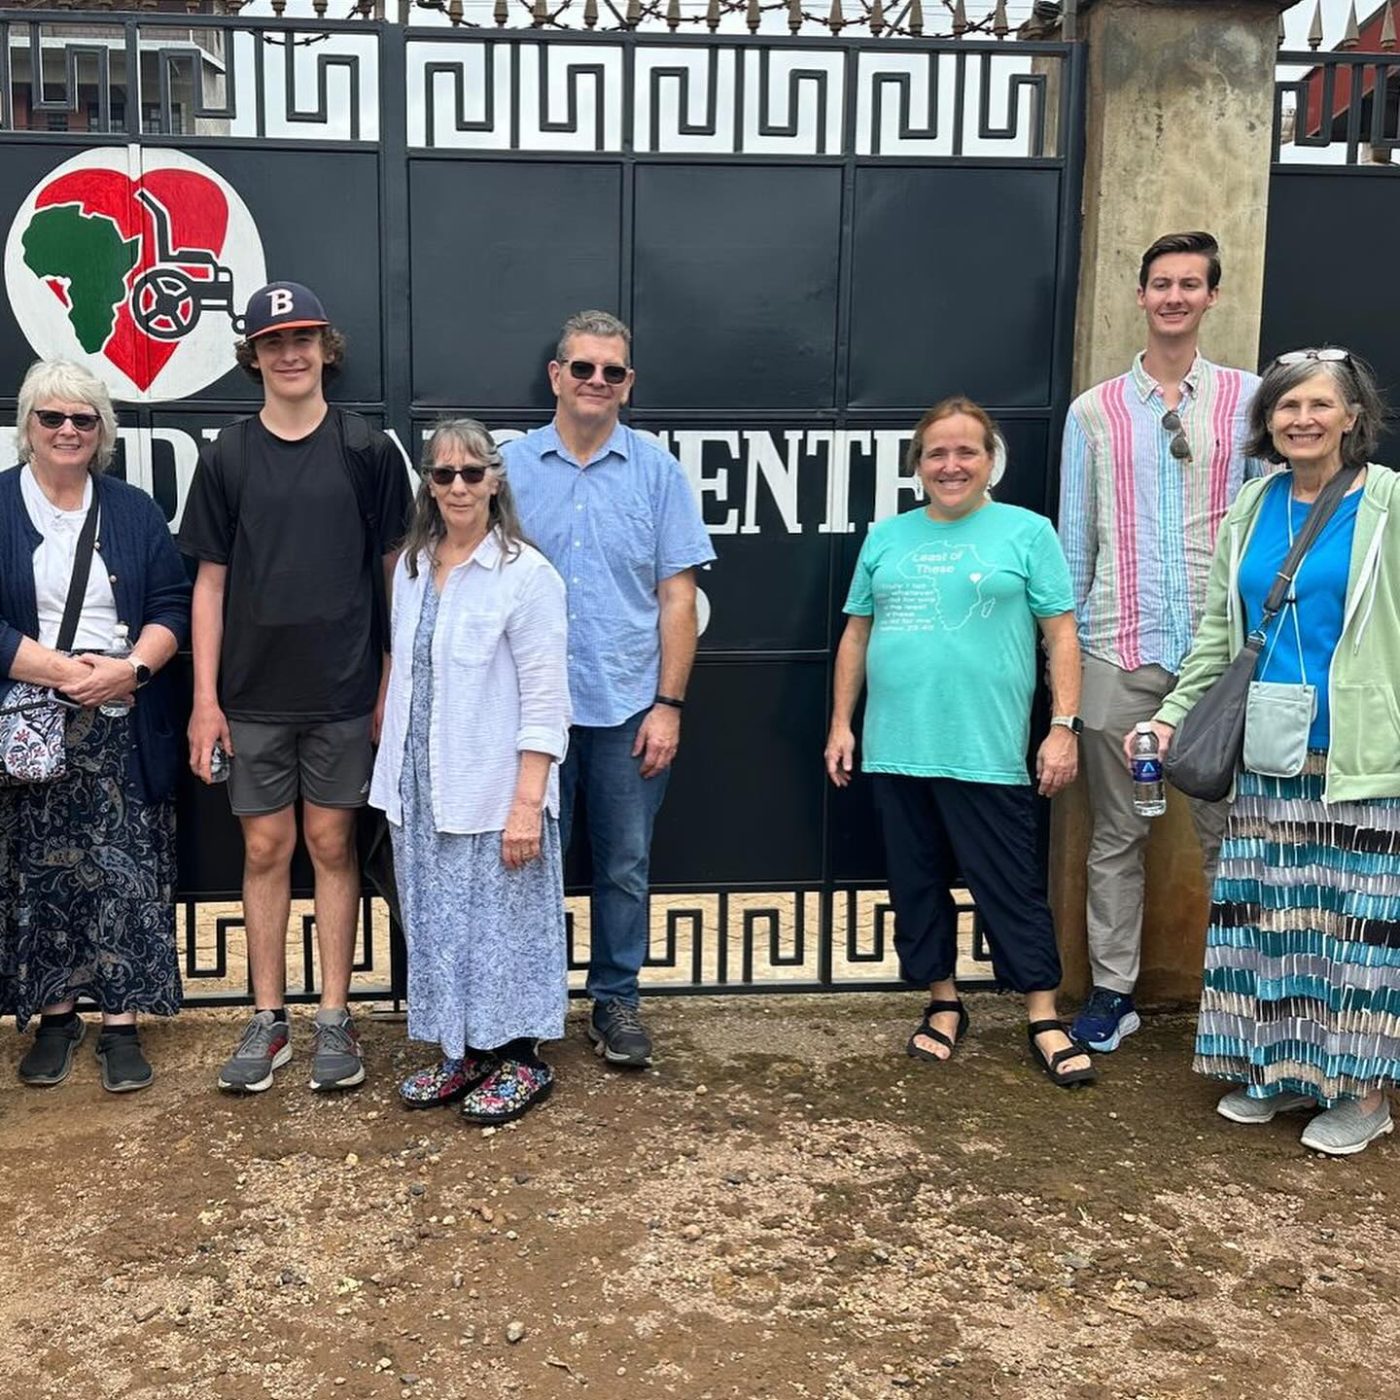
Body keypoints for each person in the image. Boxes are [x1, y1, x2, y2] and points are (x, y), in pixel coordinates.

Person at [1145, 348, 1399, 1156]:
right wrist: (1171, 716)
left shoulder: (1389, 504)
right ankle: (1280, 1070)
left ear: (1352, 416)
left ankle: (1364, 1094)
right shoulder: (1254, 505)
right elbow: (1220, 634)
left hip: (1358, 755)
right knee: (1274, 923)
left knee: (1353, 929)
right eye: (1287, 406)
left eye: (1320, 405)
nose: (1302, 419)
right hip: (1265, 751)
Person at [179, 282, 411, 1094]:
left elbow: (397, 572)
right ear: (253, 355)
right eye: (273, 341)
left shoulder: (365, 448)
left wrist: (391, 678)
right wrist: (204, 700)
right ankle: (268, 1017)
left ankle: (336, 1017)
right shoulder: (229, 455)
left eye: (303, 338)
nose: (290, 353)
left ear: (325, 349)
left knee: (333, 847)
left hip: (345, 692)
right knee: (264, 849)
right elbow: (209, 584)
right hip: (251, 696)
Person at [825, 397, 1095, 1088]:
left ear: (989, 460)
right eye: (937, 453)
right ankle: (943, 1003)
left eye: (966, 451)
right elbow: (856, 633)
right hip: (895, 746)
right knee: (915, 884)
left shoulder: (1027, 532)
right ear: (918, 464)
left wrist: (1063, 726)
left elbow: (1062, 634)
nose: (951, 465)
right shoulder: (887, 537)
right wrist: (841, 723)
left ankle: (1043, 1016)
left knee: (1010, 885)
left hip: (986, 748)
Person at [1059, 231, 1266, 1053]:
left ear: (1212, 296)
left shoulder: (1251, 400)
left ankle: (1242, 1001)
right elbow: (1076, 543)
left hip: (1220, 660)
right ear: (1140, 295)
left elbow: (1268, 530)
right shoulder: (1094, 411)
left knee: (1233, 837)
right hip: (1119, 646)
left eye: (1190, 284)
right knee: (1118, 835)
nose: (1174, 297)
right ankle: (1113, 992)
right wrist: (1070, 664)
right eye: (1161, 284)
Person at [503, 311, 715, 1069]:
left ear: (628, 384)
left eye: (612, 371)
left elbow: (678, 599)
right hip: (531, 713)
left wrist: (669, 706)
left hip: (629, 706)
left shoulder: (658, 473)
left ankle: (615, 1000)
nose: (597, 380)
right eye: (583, 367)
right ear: (555, 375)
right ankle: (526, 1008)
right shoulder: (506, 468)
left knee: (624, 864)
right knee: (528, 869)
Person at [370, 420, 570, 1123]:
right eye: (444, 474)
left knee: (503, 929)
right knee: (437, 925)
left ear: (495, 480)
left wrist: (527, 802)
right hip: (420, 787)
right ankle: (462, 1052)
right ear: (428, 483)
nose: (458, 486)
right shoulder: (412, 566)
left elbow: (546, 699)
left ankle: (521, 1059)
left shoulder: (526, 574)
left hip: (493, 788)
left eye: (472, 473)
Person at [0, 359, 190, 1092]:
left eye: (83, 418)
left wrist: (129, 670)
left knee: (122, 871)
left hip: (122, 721)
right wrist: (57, 671)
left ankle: (120, 1023)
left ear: (102, 431)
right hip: (32, 724)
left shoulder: (133, 511)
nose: (67, 430)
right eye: (52, 417)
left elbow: (171, 606)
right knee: (42, 872)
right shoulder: (2, 504)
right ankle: (55, 1017)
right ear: (28, 427)